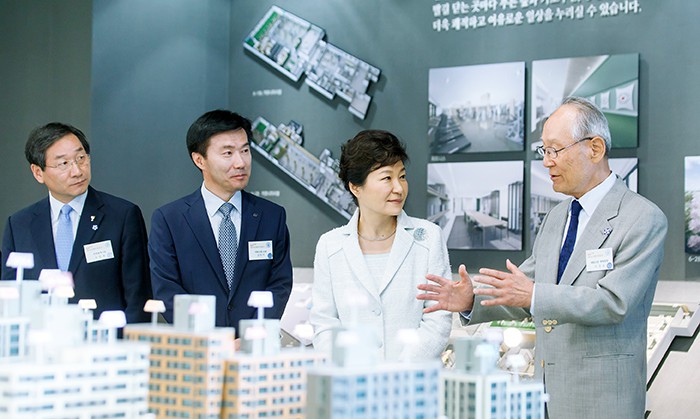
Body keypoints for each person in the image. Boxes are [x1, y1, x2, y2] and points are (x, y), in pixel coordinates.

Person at [418, 97, 668, 419]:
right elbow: (522, 293)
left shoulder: (641, 218)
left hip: (602, 401)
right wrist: (472, 301)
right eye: (544, 152)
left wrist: (534, 293)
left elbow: (613, 302)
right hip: (545, 398)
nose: (547, 162)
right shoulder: (556, 217)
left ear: (594, 149)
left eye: (555, 150)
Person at [310, 130, 452, 361]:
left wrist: (397, 375)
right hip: (353, 385)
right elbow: (325, 324)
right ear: (355, 187)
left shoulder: (428, 237)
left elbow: (438, 319)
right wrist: (352, 373)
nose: (399, 188)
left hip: (412, 384)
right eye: (387, 178)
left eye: (402, 176)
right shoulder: (330, 245)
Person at [149, 110, 292, 328]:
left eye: (245, 150)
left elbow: (279, 284)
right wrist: (209, 338)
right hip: (198, 347)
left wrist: (249, 335)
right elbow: (167, 289)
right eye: (228, 153)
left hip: (254, 345)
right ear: (199, 160)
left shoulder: (272, 216)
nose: (240, 162)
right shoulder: (170, 219)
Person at [1, 122, 152, 323]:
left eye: (81, 158)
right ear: (38, 172)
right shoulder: (19, 224)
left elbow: (138, 296)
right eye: (63, 164)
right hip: (40, 344)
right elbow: (10, 294)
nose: (77, 171)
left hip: (104, 344)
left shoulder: (122, 216)